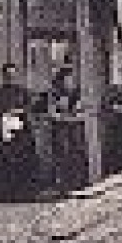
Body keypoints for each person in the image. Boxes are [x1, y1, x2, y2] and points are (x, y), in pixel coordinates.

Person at [0, 64, 39, 202]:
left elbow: (30, 108)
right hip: (3, 132)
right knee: (3, 162)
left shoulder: (23, 92)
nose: (10, 78)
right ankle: (4, 193)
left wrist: (19, 112)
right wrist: (3, 113)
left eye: (13, 75)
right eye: (8, 75)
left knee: (23, 161)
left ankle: (25, 192)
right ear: (4, 77)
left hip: (21, 132)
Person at [47, 65, 89, 194]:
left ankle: (79, 184)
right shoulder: (55, 94)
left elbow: (82, 112)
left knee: (77, 154)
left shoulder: (77, 93)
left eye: (70, 78)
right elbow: (52, 113)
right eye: (66, 78)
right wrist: (64, 117)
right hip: (60, 130)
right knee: (62, 155)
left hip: (75, 129)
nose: (69, 81)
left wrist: (72, 116)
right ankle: (63, 186)